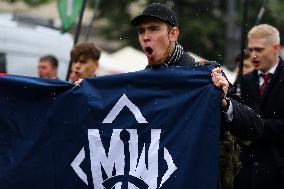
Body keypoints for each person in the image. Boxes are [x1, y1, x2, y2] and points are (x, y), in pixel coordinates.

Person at [130, 3, 263, 188]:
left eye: (154, 29)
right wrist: (85, 93)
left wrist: (224, 103)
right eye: (141, 31)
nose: (146, 37)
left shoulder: (204, 75)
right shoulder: (141, 82)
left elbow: (254, 128)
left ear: (173, 34)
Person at [234, 24, 284, 189]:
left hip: (278, 170)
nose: (253, 55)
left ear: (276, 48)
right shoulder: (244, 81)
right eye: (251, 50)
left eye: (259, 50)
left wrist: (255, 126)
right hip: (246, 173)